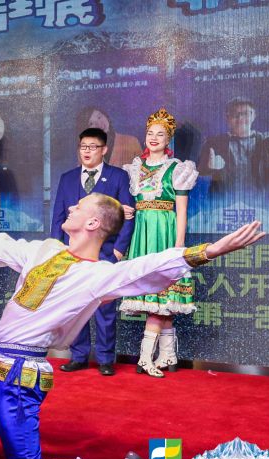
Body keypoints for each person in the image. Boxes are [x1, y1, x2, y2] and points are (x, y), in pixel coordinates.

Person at [0, 195, 264, 459]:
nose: (71, 207)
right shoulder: (45, 249)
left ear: (92, 223)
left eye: (79, 206)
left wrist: (209, 251)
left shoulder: (97, 276)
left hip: (18, 379)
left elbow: (144, 269)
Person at [119, 108, 199, 377]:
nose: (154, 138)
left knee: (166, 294)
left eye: (160, 134)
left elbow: (181, 211)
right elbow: (127, 204)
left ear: (168, 139)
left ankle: (149, 357)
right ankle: (164, 355)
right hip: (141, 233)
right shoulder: (133, 168)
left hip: (164, 233)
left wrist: (178, 247)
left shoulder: (178, 169)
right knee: (155, 297)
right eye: (150, 133)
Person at [50, 128, 135, 376]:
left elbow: (128, 216)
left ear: (104, 149)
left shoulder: (118, 177)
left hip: (105, 252)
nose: (87, 151)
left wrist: (119, 250)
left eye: (93, 147)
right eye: (83, 147)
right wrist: (57, 249)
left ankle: (106, 359)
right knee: (76, 306)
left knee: (105, 308)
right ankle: (79, 356)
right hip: (73, 254)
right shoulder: (67, 178)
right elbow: (57, 217)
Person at [199, 97, 269, 195]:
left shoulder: (267, 141)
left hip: (261, 201)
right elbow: (199, 169)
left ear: (253, 116)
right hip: (223, 200)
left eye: (246, 113)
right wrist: (209, 166)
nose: (240, 118)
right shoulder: (214, 143)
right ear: (227, 118)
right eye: (235, 114)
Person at [76, 106, 142, 168]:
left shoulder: (131, 142)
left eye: (99, 117)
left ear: (106, 116)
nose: (99, 124)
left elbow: (144, 172)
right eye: (91, 123)